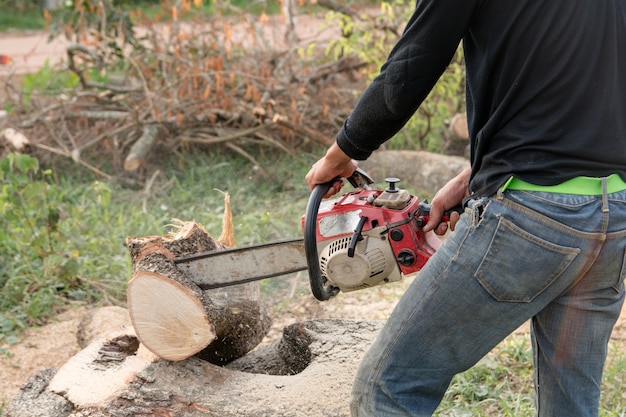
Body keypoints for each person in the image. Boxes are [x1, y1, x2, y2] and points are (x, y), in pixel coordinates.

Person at [305, 0, 626, 416]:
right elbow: (574, 79)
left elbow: (413, 63)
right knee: (570, 404)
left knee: (388, 386)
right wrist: (477, 174)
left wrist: (340, 155)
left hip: (532, 219)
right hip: (613, 217)